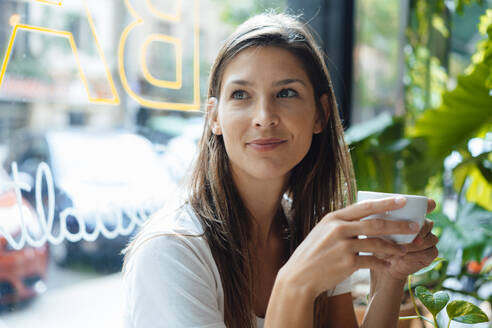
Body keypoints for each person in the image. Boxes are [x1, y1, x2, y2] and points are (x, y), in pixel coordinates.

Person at [122, 12, 439, 328]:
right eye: (241, 95)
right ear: (214, 118)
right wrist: (294, 285)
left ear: (321, 113)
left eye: (286, 93)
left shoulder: (309, 232)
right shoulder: (172, 251)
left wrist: (389, 277)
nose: (264, 116)